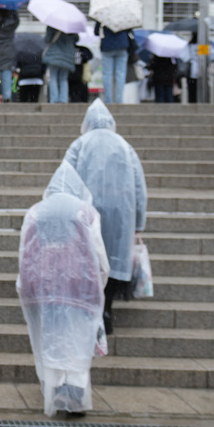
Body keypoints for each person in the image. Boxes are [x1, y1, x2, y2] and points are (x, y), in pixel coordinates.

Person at [18, 161, 109, 416]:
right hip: (80, 288)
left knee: (51, 338)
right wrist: (99, 284)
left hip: (44, 289)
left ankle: (54, 388)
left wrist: (25, 287)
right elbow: (99, 255)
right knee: (77, 339)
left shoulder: (36, 212)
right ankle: (76, 394)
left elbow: (25, 254)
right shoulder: (86, 212)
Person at [64, 100, 147, 334]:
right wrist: (139, 222)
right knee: (112, 259)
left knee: (91, 258)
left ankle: (90, 310)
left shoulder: (79, 144)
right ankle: (107, 309)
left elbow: (65, 179)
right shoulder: (124, 146)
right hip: (121, 212)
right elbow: (139, 187)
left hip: (87, 211)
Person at [95, 21, 131, 104]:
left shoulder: (103, 15)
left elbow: (96, 32)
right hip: (122, 45)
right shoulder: (124, 15)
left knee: (107, 74)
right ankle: (119, 100)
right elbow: (129, 30)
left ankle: (108, 100)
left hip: (107, 45)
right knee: (120, 74)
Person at [42, 26, 77, 104]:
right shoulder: (72, 26)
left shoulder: (52, 26)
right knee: (64, 79)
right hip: (68, 55)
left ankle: (54, 100)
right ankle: (63, 99)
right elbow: (76, 39)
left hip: (55, 55)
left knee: (53, 78)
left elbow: (47, 39)